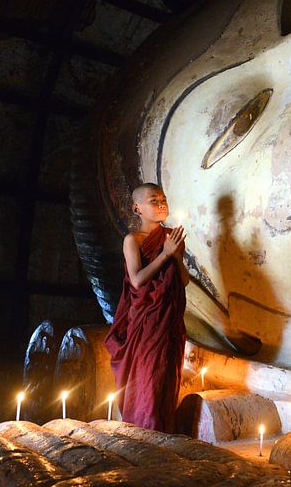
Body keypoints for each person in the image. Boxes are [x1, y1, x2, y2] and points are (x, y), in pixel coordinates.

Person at [104, 182, 188, 432]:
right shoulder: (133, 240)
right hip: (147, 322)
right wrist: (165, 254)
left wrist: (175, 255)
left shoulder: (171, 237)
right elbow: (138, 280)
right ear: (136, 208)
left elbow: (183, 280)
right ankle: (143, 434)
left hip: (170, 319)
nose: (161, 204)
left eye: (163, 199)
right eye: (153, 200)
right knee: (148, 378)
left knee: (166, 378)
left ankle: (163, 434)